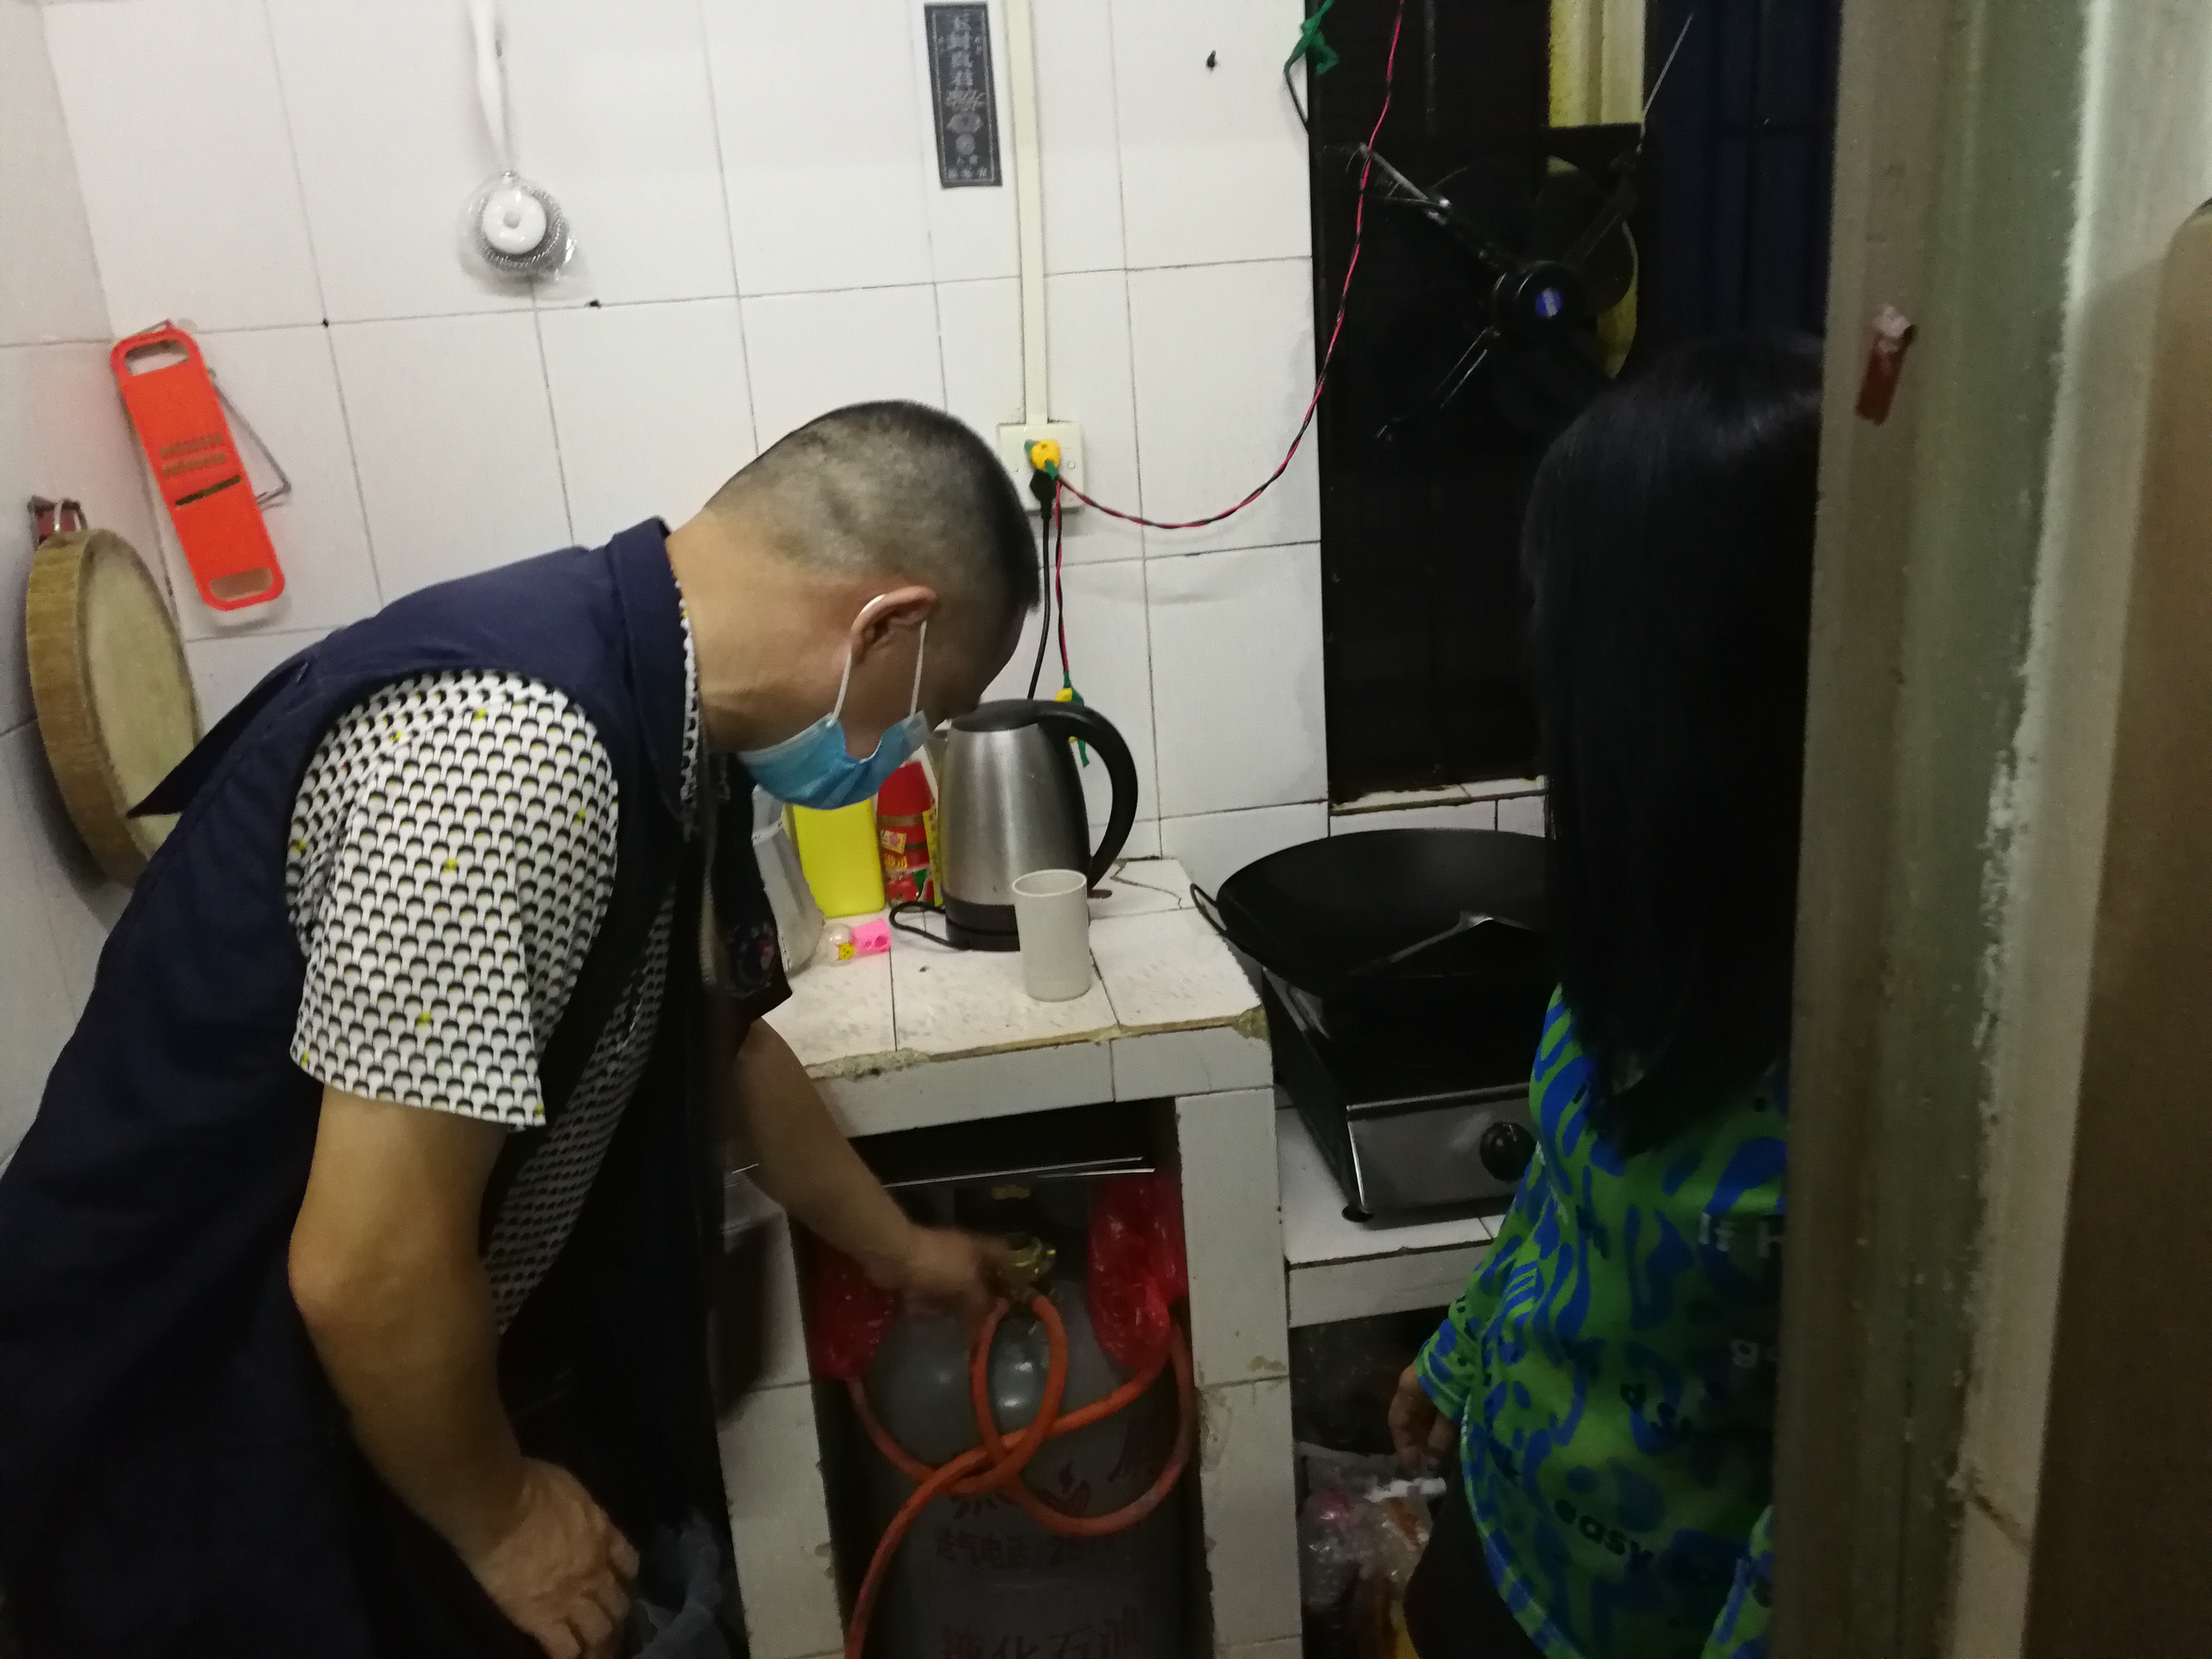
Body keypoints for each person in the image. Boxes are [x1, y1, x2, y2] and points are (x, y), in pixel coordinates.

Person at [0, 402, 1040, 1659]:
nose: (904, 752)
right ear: (887, 626)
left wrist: (896, 1248)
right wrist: (503, 1521)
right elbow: (367, 1268)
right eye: (932, 709)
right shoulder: (511, 753)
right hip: (179, 1417)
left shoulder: (679, 716)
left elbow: (722, 1043)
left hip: (353, 1393)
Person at [1389, 337, 1821, 1659]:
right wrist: (1459, 1351)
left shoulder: (1867, 1051)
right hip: (1498, 1537)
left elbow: (1826, 1504)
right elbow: (1561, 1193)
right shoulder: (1657, 918)